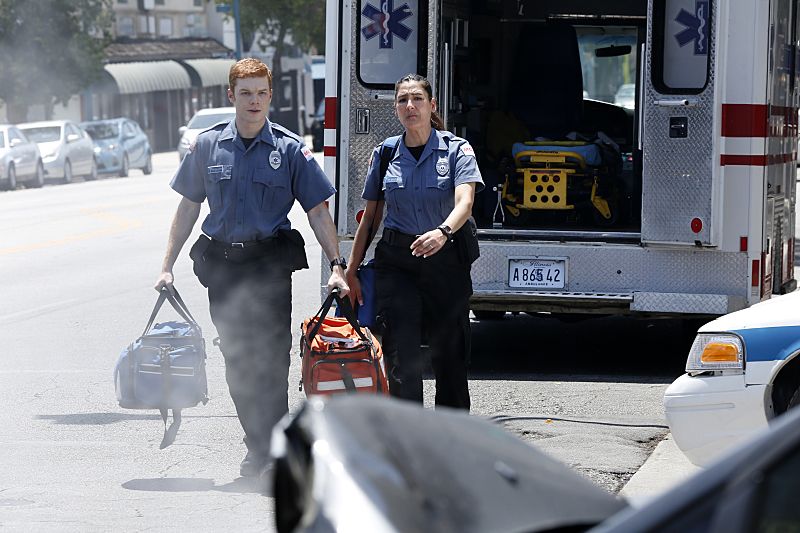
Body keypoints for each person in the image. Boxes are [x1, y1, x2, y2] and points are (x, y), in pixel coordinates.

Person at [155, 57, 349, 478]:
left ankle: (272, 451)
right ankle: (257, 445)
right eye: (245, 93)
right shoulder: (207, 146)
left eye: (262, 92)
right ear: (231, 96)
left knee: (272, 360)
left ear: (270, 95)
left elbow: (317, 210)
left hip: (268, 265)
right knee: (238, 361)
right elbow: (188, 207)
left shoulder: (289, 148)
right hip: (223, 266)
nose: (254, 101)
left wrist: (337, 264)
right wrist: (167, 265)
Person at [345, 74, 484, 410]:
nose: (410, 106)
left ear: (431, 105)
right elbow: (372, 217)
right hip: (399, 263)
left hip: (446, 262)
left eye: (417, 99)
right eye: (403, 100)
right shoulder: (385, 153)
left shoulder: (456, 150)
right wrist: (350, 271)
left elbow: (465, 202)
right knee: (400, 356)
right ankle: (409, 440)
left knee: (449, 356)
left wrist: (443, 232)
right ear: (395, 108)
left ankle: (449, 438)